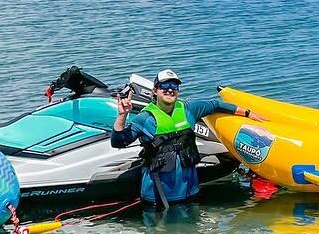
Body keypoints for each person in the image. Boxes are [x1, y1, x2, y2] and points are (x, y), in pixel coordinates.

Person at [111, 68, 260, 207]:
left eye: (174, 86)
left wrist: (247, 113)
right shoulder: (145, 118)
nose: (170, 89)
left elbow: (215, 105)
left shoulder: (188, 109)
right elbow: (118, 142)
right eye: (165, 85)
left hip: (190, 193)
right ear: (155, 90)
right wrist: (122, 116)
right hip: (158, 199)